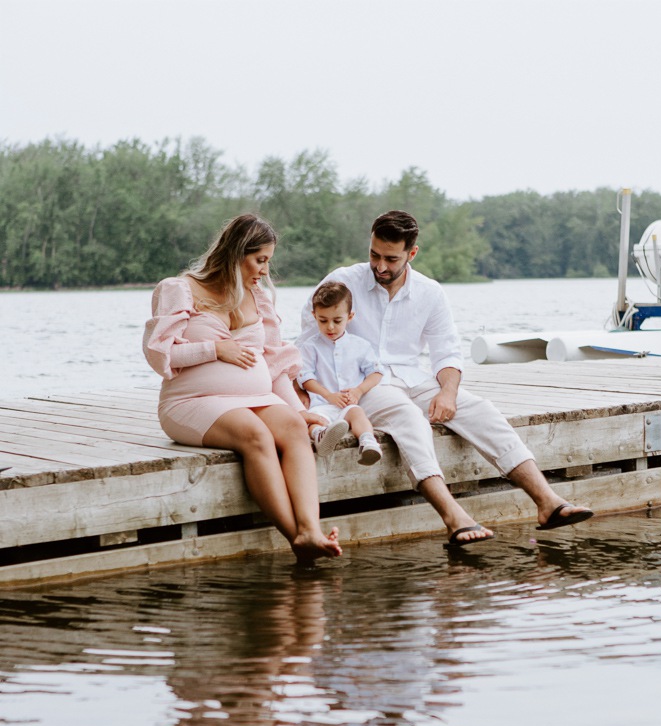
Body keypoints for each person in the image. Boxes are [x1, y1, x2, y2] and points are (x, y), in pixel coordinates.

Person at [299, 210, 593, 546]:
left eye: (391, 259)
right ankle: (454, 518)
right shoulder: (342, 282)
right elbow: (307, 344)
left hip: (414, 377)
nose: (380, 266)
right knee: (408, 417)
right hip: (364, 386)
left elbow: (447, 354)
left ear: (412, 253)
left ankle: (548, 503)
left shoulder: (430, 292)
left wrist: (448, 393)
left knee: (480, 409)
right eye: (374, 254)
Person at [143, 214, 342, 563]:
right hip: (191, 401)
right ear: (236, 252)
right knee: (255, 435)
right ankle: (295, 537)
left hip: (255, 397)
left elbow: (275, 365)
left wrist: (298, 410)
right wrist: (214, 349)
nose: (265, 270)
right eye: (260, 260)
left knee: (295, 428)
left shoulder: (258, 298)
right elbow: (160, 353)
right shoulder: (179, 289)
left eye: (268, 261)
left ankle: (311, 528)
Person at [299, 281, 384, 465]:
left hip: (346, 404)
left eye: (337, 321)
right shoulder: (310, 346)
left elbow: (376, 372)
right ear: (314, 316)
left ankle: (368, 442)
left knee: (357, 413)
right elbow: (306, 378)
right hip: (321, 403)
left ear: (350, 316)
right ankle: (320, 435)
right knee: (314, 421)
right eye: (323, 320)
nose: (330, 327)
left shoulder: (360, 345)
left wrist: (358, 390)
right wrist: (328, 395)